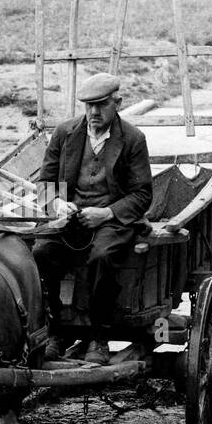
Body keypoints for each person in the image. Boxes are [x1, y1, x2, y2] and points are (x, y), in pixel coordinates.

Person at [32, 73, 153, 366]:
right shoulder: (65, 133)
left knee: (103, 257)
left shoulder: (133, 139)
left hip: (111, 220)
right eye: (89, 106)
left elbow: (142, 194)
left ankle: (99, 336)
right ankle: (56, 330)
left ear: (117, 103)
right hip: (70, 220)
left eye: (101, 105)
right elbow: (45, 183)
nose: (94, 112)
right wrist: (57, 203)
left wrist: (107, 213)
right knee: (41, 252)